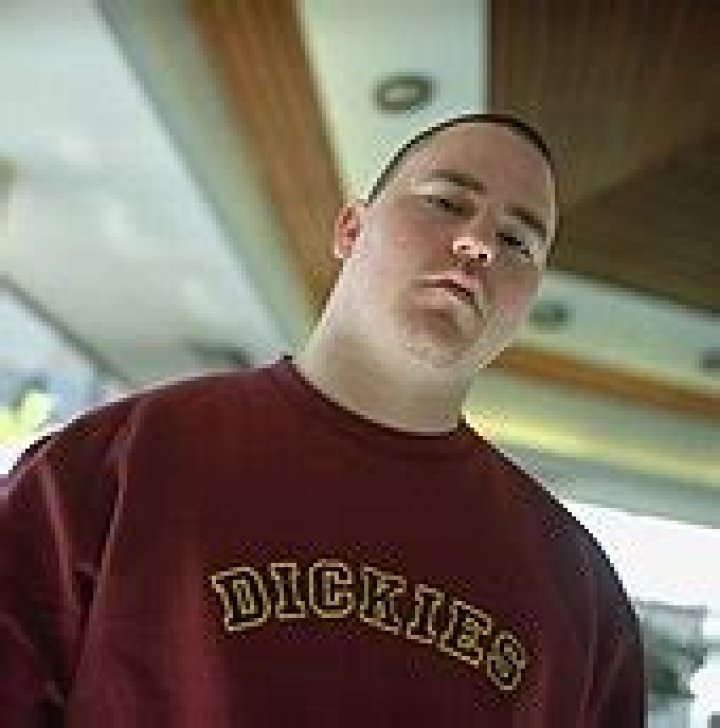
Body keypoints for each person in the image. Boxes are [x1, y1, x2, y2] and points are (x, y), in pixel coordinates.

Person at [0, 113, 646, 726]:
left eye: (517, 241)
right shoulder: (114, 465)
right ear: (350, 230)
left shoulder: (579, 595)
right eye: (448, 202)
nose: (478, 243)